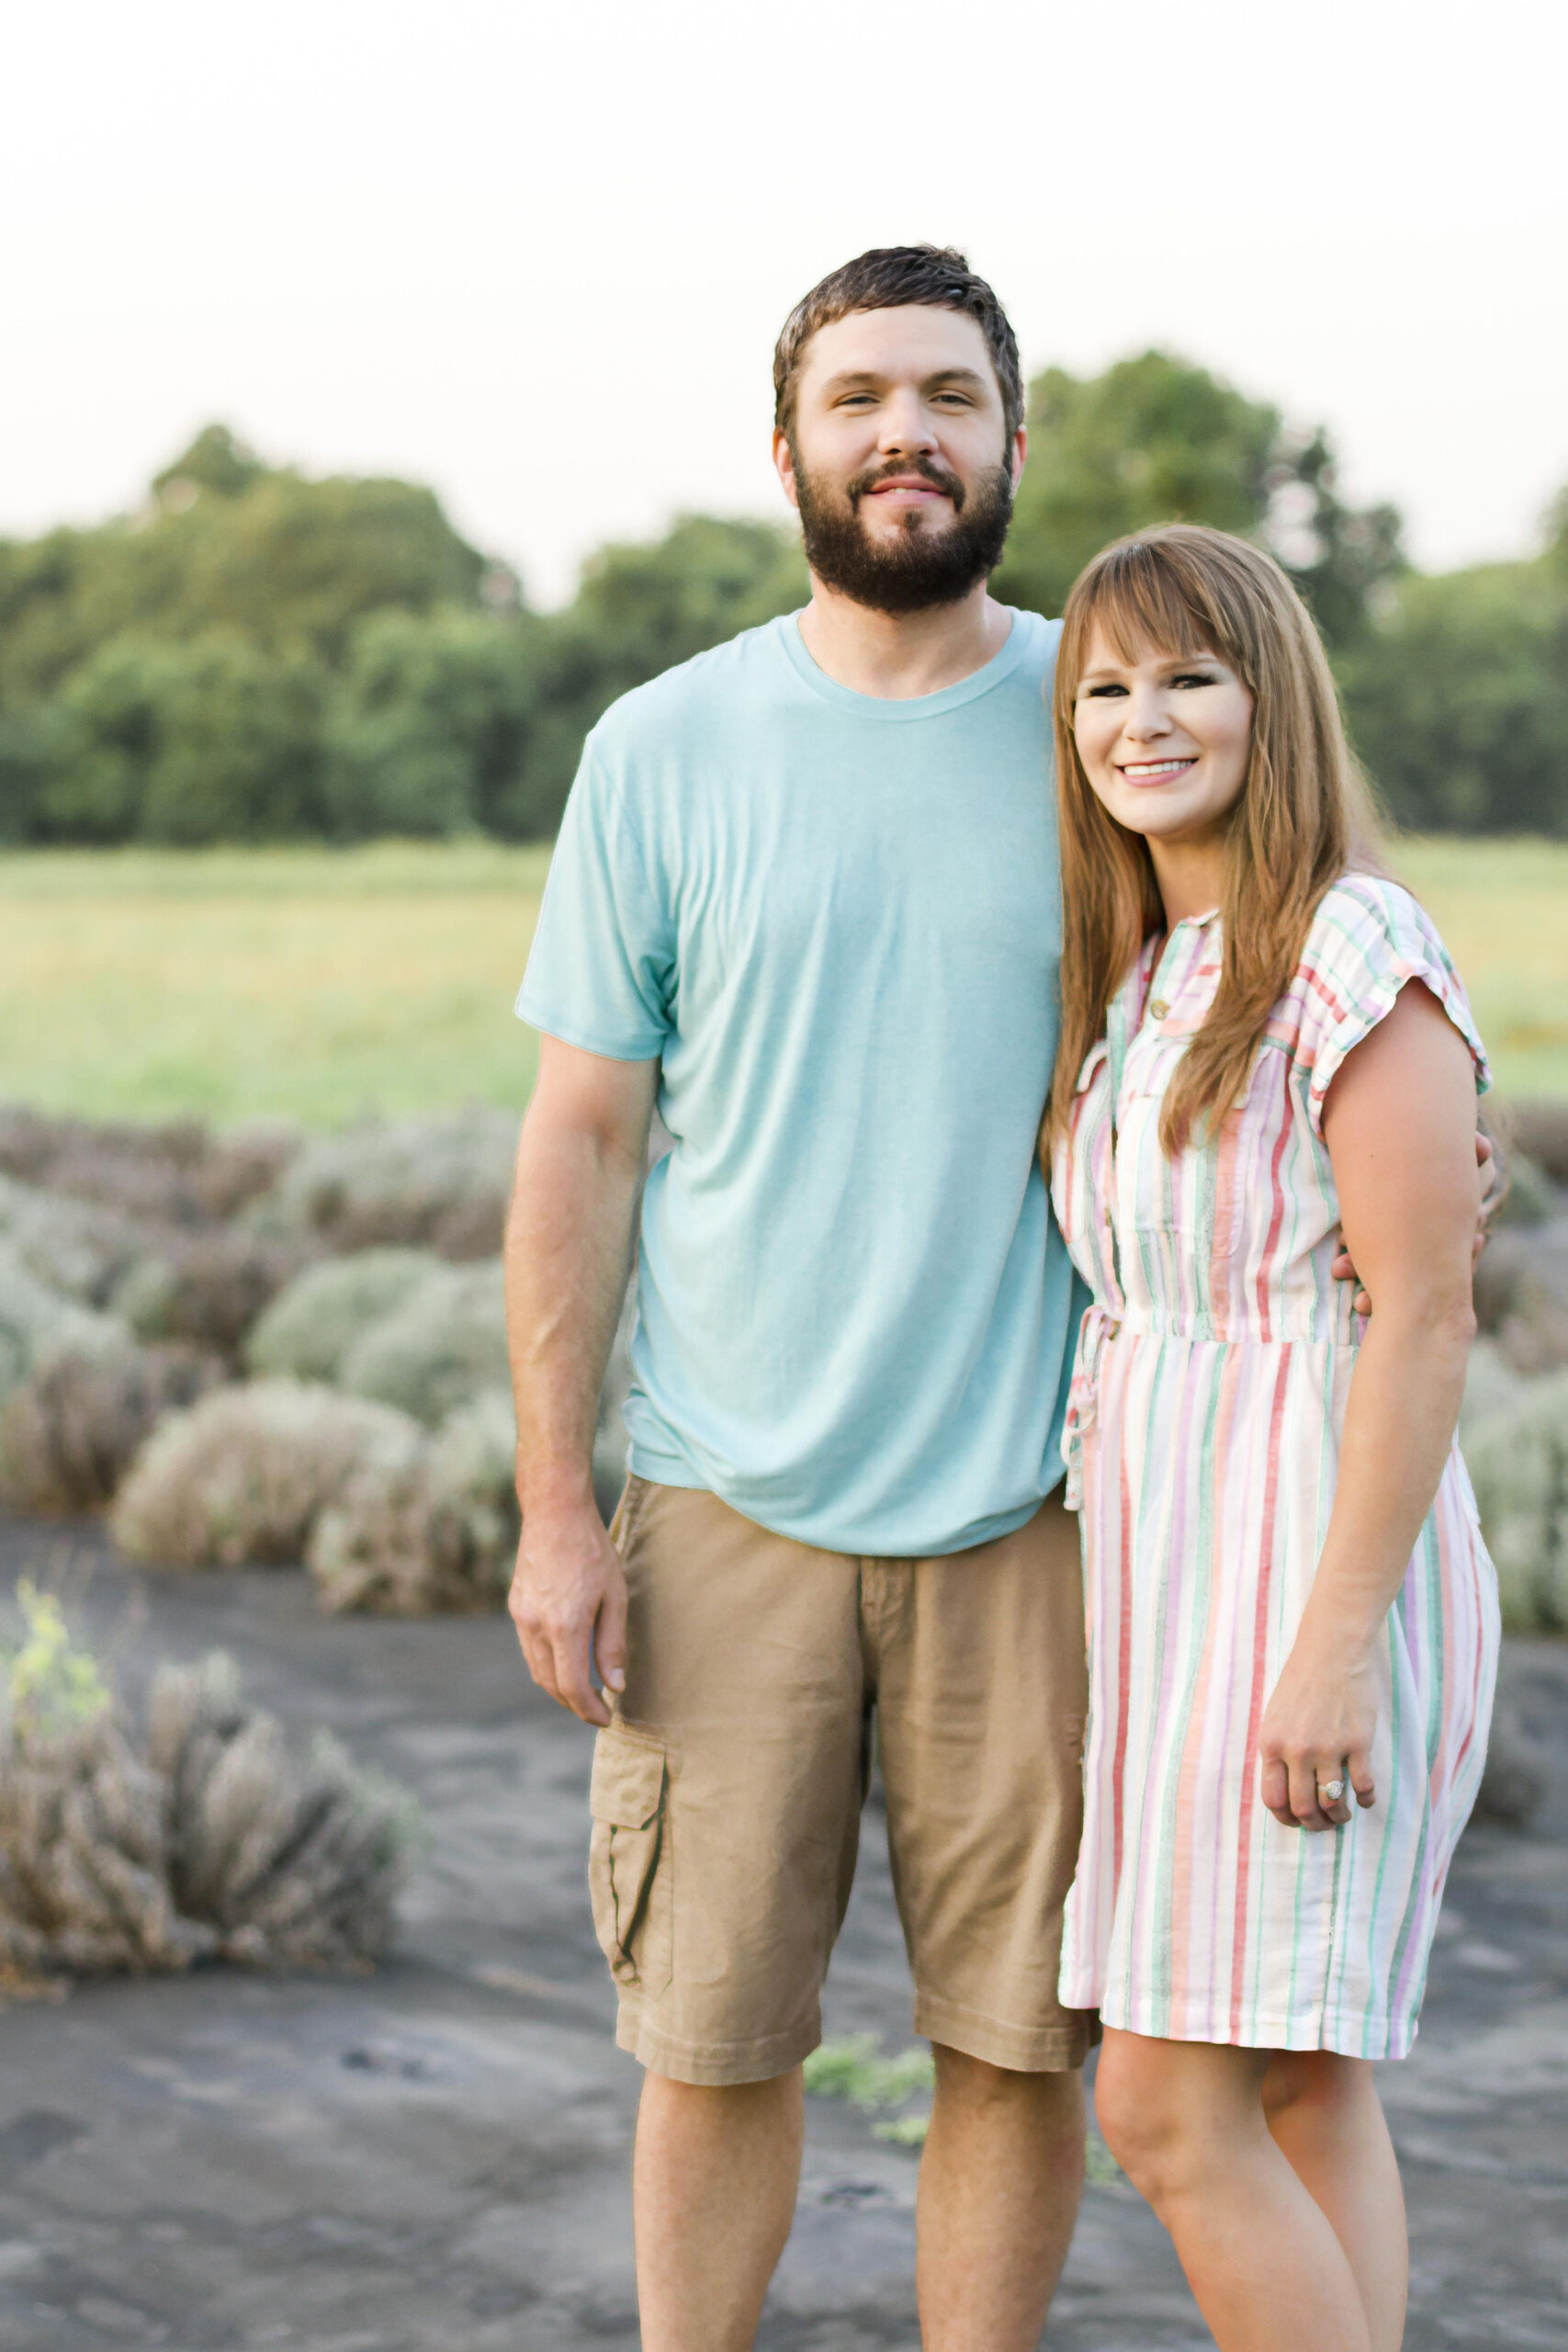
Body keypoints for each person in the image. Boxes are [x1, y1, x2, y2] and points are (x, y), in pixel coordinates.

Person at [505, 244, 1094, 2352]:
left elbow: (1312, 941)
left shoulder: (1106, 718)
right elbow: (576, 1143)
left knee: (1016, 2042)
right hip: (720, 1501)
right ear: (788, 451)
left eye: (945, 396)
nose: (902, 435)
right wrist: (556, 1507)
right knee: (712, 2034)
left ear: (1012, 445)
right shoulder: (660, 749)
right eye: (857, 399)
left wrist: (1441, 1104)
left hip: (1036, 1507)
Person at [1044, 523, 1500, 2352]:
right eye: (1099, 686)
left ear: (1269, 697)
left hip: (1305, 1566)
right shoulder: (1144, 965)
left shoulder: (1344, 944)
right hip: (1168, 1576)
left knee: (1157, 2101)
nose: (1136, 718)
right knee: (1301, 2084)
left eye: (1181, 676)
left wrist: (1328, 1640)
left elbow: (1421, 1308)